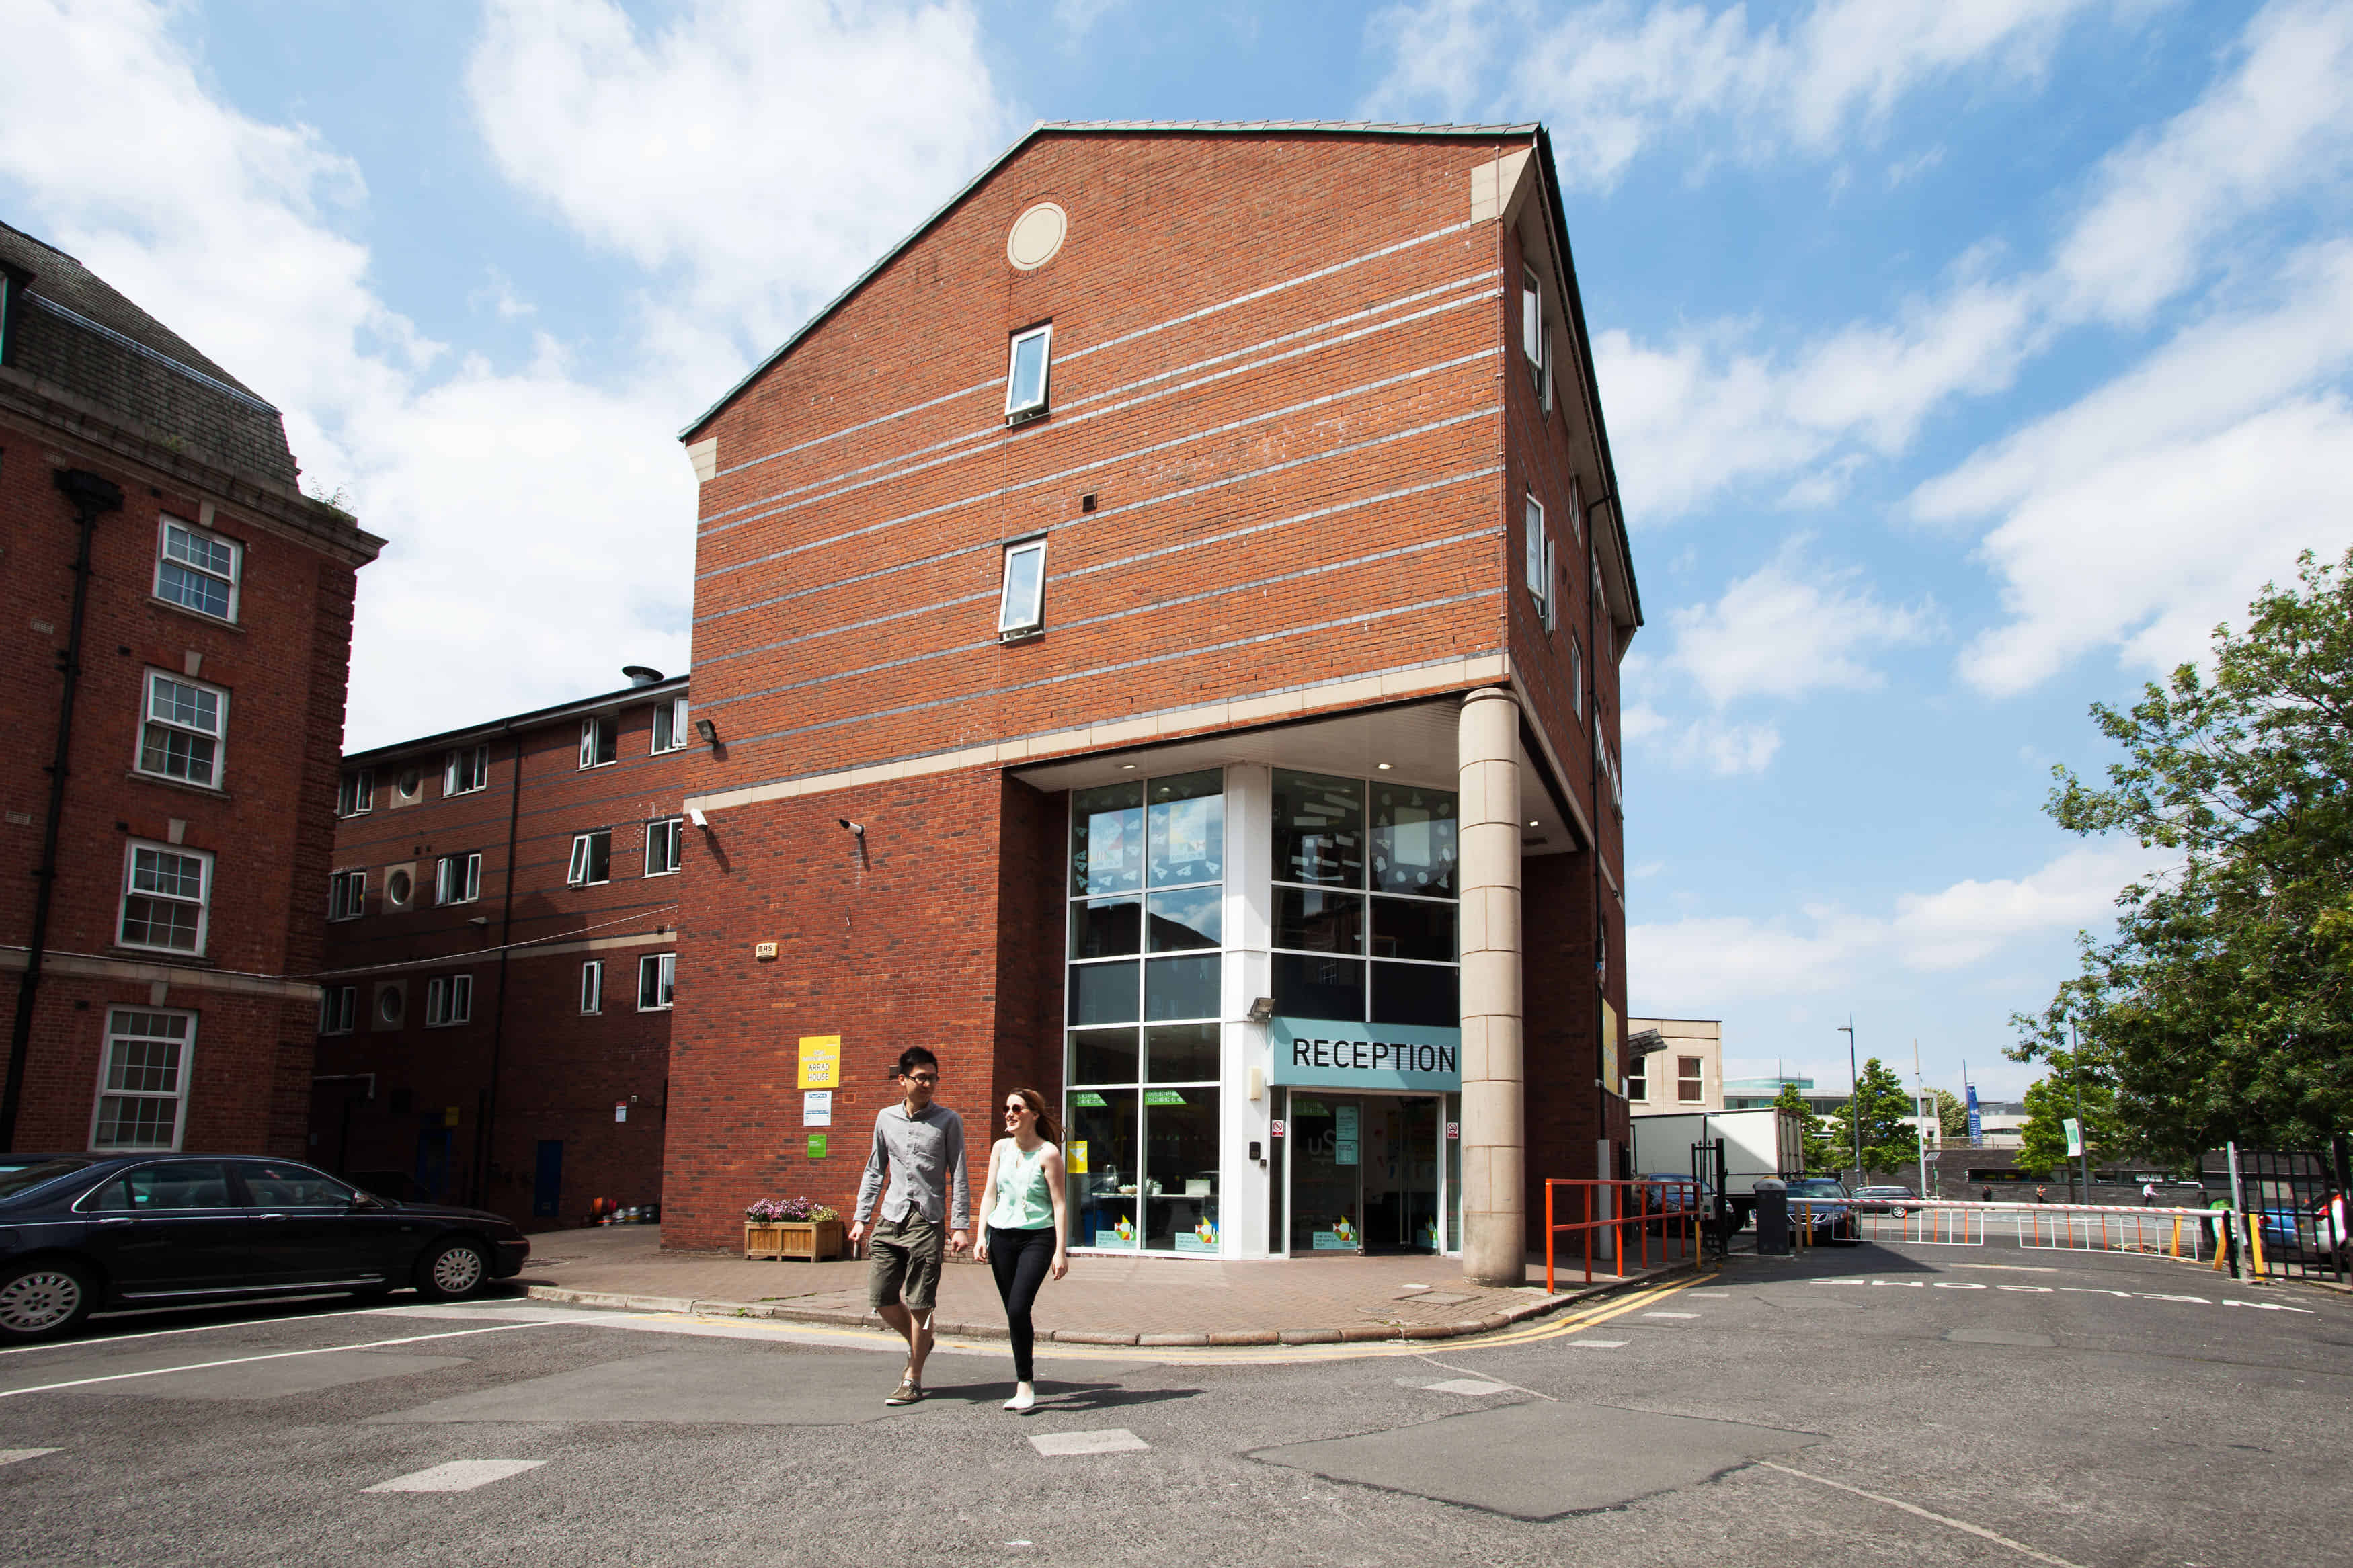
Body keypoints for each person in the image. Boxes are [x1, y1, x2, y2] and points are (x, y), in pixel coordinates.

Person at [848, 1046, 968, 1407]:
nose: (928, 1084)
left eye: (933, 1077)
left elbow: (958, 1174)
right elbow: (875, 1170)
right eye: (921, 1078)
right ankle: (922, 1343)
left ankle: (912, 1377)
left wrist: (960, 1225)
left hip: (927, 1221)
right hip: (891, 1217)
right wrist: (861, 1217)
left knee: (921, 1305)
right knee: (881, 1297)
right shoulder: (885, 1119)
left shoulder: (949, 1121)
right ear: (902, 1080)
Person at [973, 1087, 1070, 1411]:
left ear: (1034, 1115)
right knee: (1015, 1314)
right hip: (1002, 1237)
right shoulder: (1000, 1148)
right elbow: (989, 1194)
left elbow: (1059, 1204)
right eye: (1006, 1108)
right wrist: (980, 1235)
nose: (1009, 1113)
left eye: (1017, 1108)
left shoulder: (1049, 1154)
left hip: (1037, 1239)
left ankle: (1025, 1383)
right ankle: (1024, 1384)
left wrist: (1060, 1251)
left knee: (1018, 1308)